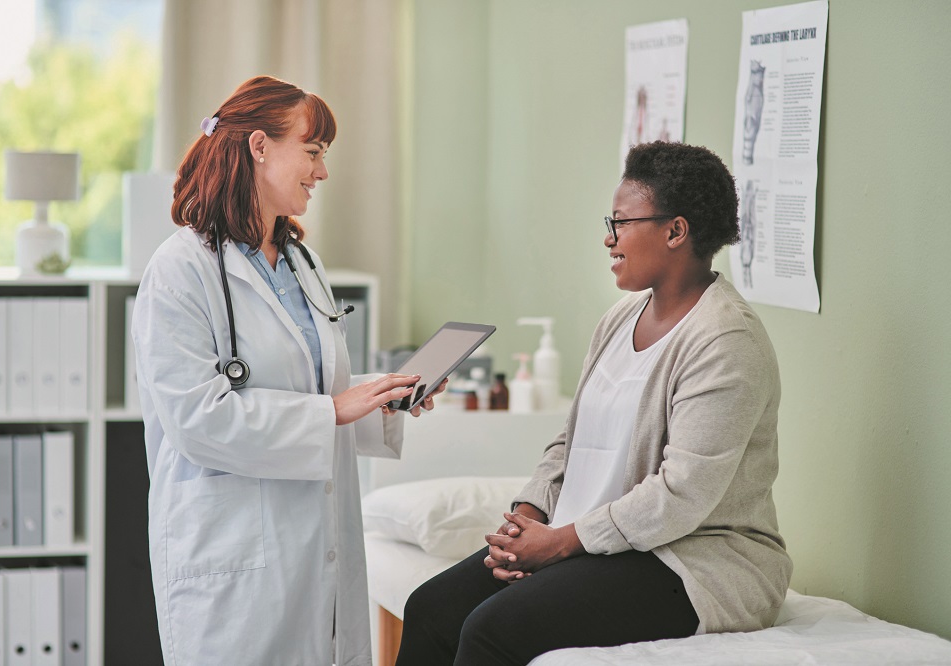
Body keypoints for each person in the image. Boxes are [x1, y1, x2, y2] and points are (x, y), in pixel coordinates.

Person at [396, 141, 792, 666]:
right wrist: (527, 518)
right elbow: (571, 438)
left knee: (493, 630)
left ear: (676, 231)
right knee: (430, 608)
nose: (608, 238)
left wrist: (558, 543)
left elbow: (681, 494)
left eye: (621, 223)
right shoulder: (620, 319)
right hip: (599, 540)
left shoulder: (726, 341)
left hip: (692, 559)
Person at [132, 75, 441, 665]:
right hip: (232, 559)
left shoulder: (303, 264)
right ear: (258, 147)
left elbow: (319, 390)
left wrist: (383, 397)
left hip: (315, 544)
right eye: (313, 151)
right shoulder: (180, 270)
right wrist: (334, 409)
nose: (322, 172)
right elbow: (196, 419)